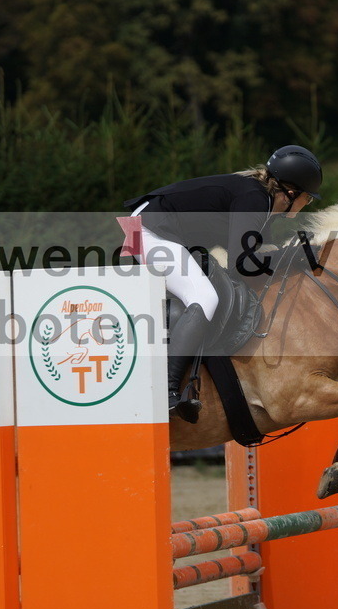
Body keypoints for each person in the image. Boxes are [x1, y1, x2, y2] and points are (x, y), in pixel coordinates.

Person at [123, 145, 322, 422]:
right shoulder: (254, 198)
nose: (307, 205)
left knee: (202, 290)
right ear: (291, 193)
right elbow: (244, 265)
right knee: (204, 297)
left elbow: (247, 256)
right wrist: (296, 256)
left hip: (147, 227)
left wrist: (291, 254)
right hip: (148, 230)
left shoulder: (255, 197)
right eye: (308, 199)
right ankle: (167, 391)